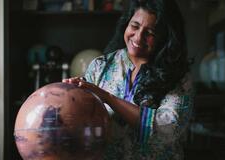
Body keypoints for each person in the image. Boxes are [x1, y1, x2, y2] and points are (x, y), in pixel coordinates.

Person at [63, 0, 193, 159]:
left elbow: (169, 128)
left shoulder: (178, 76)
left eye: (150, 32)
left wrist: (109, 98)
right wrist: (69, 97)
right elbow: (81, 120)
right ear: (126, 23)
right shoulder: (100, 66)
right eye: (135, 26)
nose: (138, 37)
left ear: (165, 36)